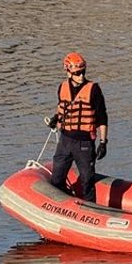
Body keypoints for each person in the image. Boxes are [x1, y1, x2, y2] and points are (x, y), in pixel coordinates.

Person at [44, 52, 108, 202]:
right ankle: (65, 206)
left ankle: (91, 210)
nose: (81, 76)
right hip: (65, 141)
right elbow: (63, 108)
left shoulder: (94, 89)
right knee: (57, 179)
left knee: (87, 181)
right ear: (68, 72)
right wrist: (55, 119)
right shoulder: (62, 87)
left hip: (84, 144)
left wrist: (103, 142)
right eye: (77, 73)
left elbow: (102, 118)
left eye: (83, 72)